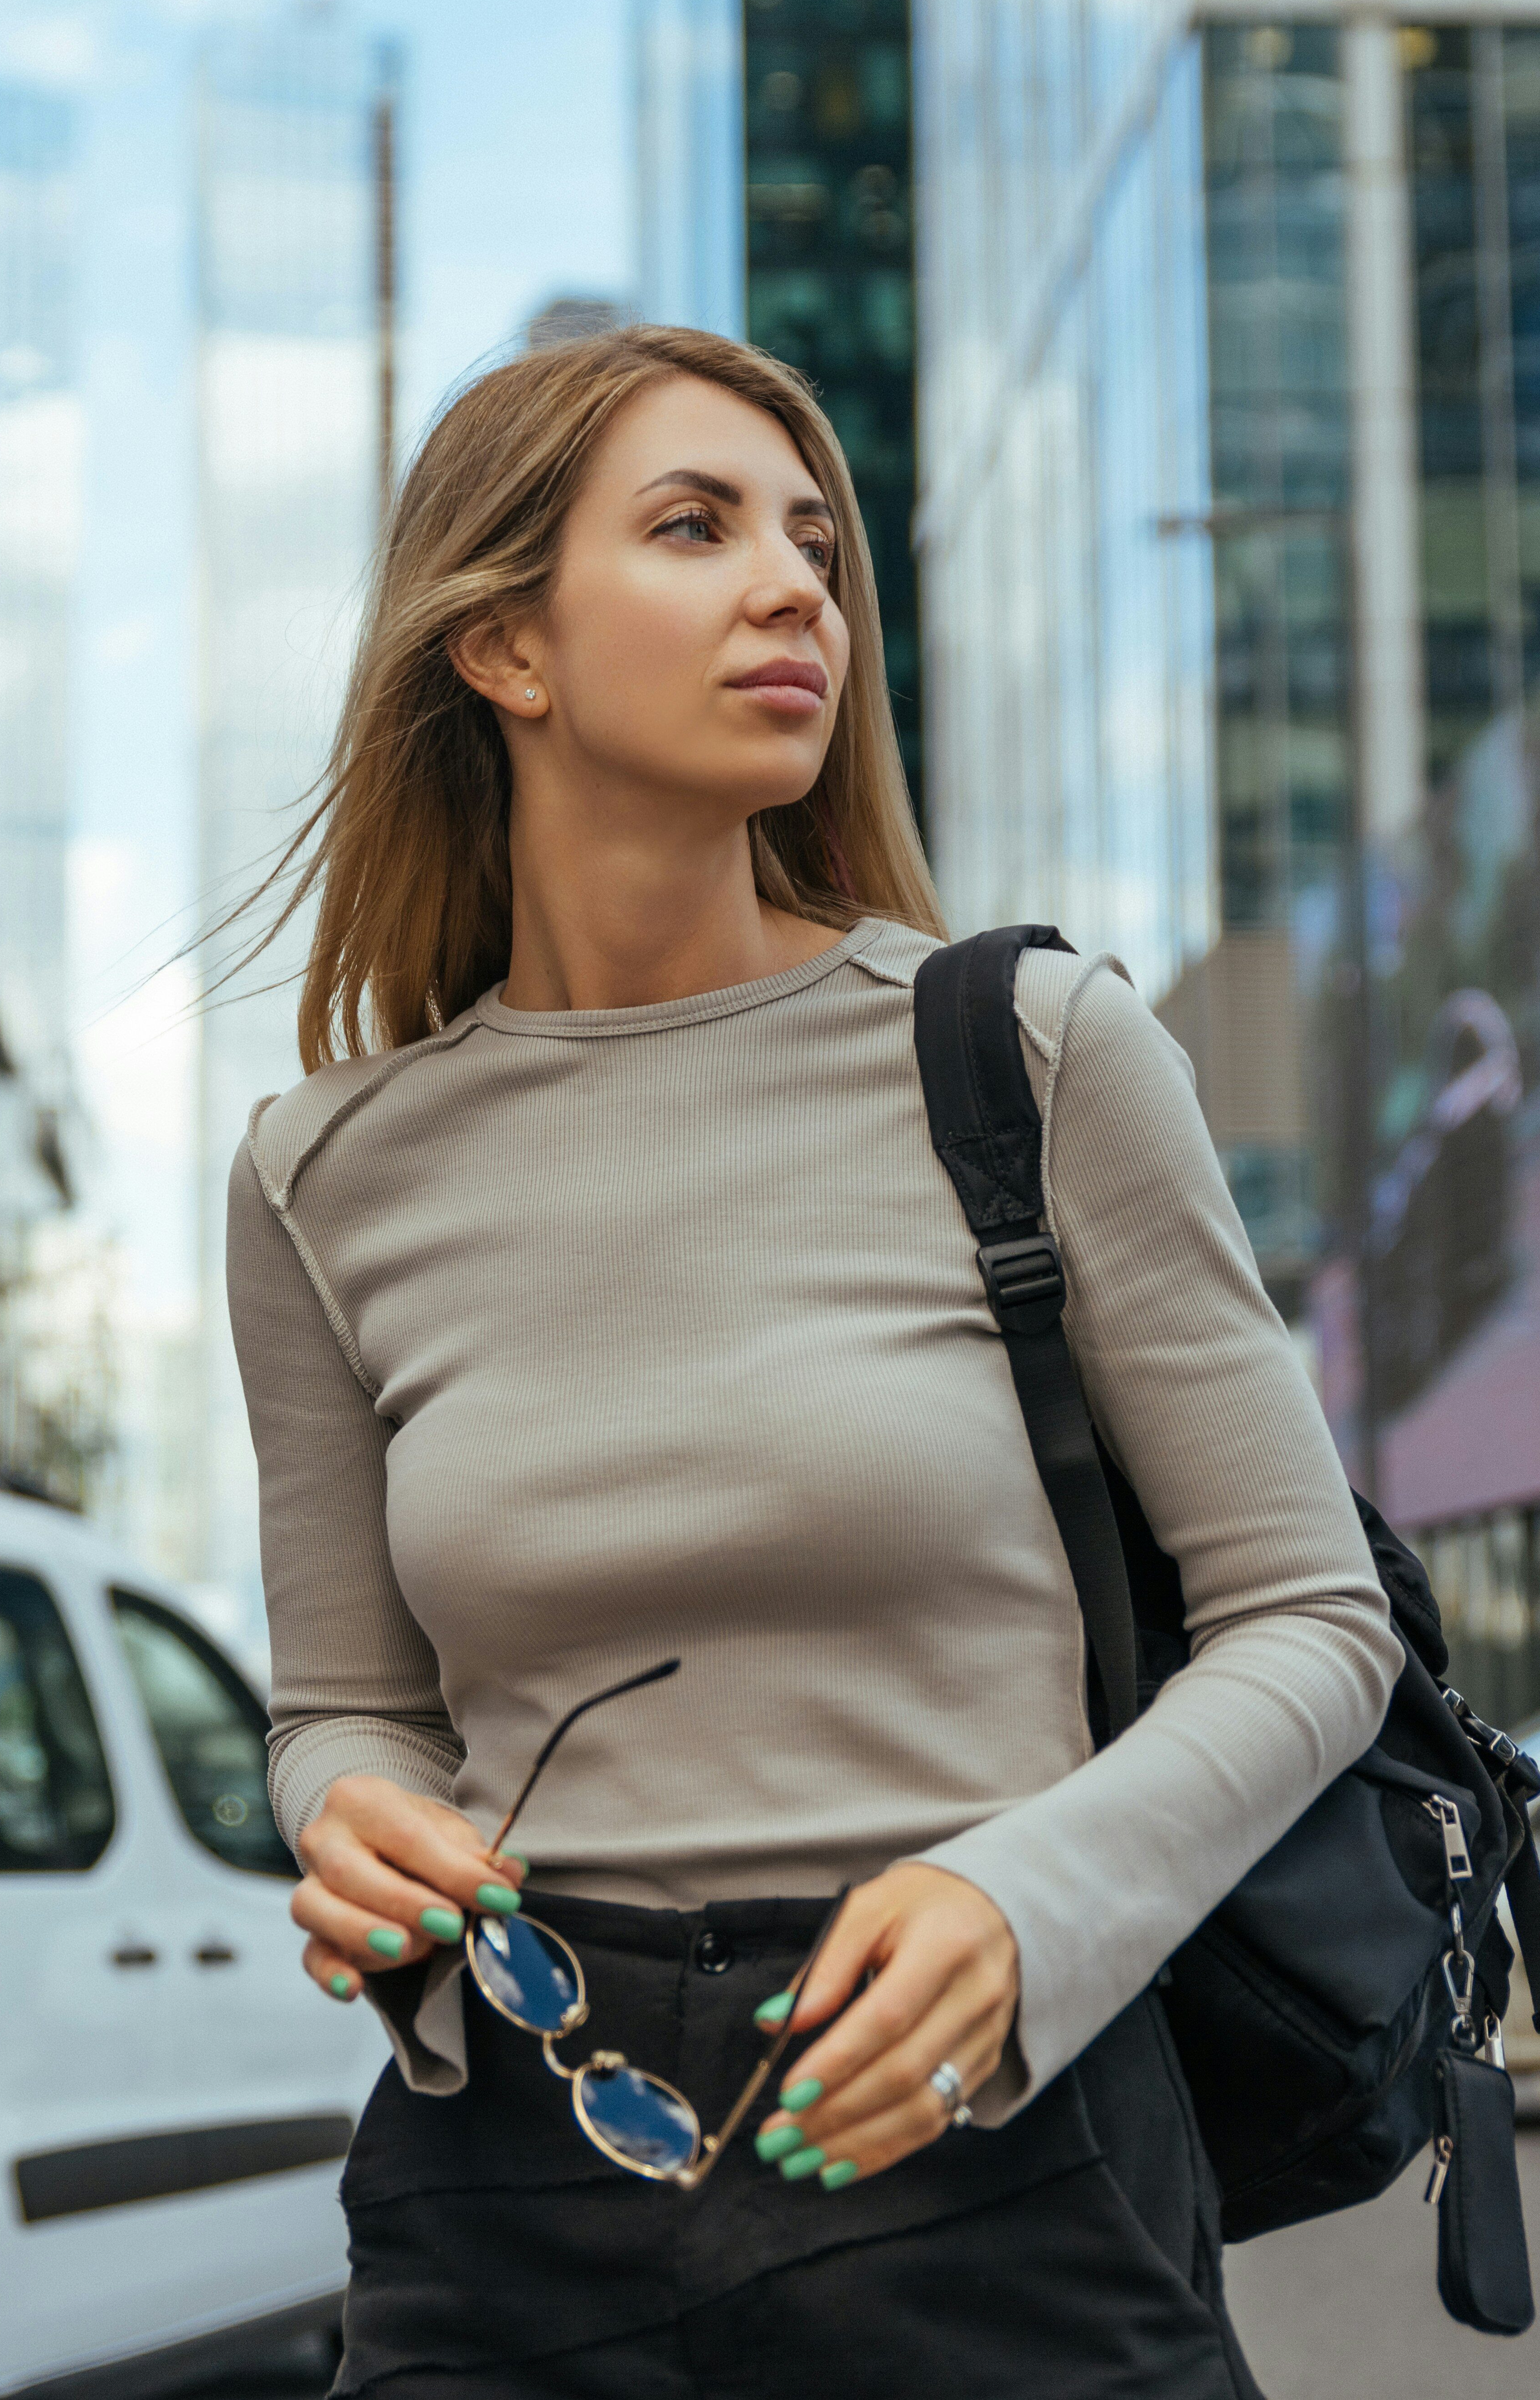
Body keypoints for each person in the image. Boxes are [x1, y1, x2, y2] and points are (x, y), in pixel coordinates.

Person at [225, 324, 1399, 2397]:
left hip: (983, 2145)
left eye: (815, 545)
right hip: (509, 2165)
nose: (795, 587)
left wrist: (1027, 1904)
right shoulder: (324, 1172)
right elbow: (345, 1706)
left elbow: (1311, 1620)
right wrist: (350, 1818)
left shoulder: (1028, 1052)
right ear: (502, 647)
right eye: (695, 528)